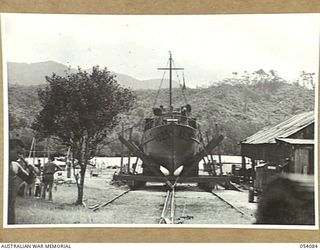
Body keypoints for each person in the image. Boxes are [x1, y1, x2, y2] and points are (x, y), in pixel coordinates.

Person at [8, 139, 28, 224]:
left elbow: (28, 179)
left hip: (10, 203)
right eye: (18, 151)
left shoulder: (15, 165)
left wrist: (32, 171)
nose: (20, 156)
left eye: (21, 153)